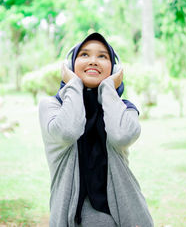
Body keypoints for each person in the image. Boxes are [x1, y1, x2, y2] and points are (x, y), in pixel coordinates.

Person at [39, 32, 154, 227]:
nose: (93, 61)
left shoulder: (125, 109)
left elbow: (121, 136)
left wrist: (108, 88)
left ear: (114, 69)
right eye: (84, 55)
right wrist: (74, 84)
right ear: (70, 66)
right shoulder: (51, 106)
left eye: (102, 56)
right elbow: (68, 131)